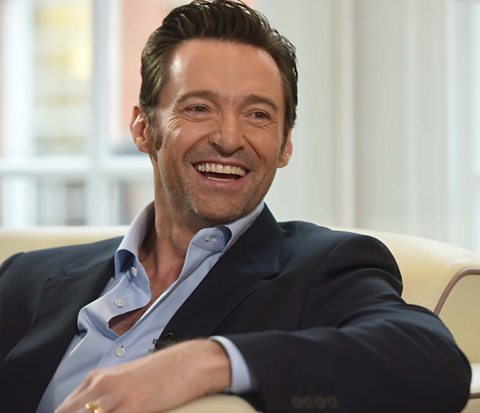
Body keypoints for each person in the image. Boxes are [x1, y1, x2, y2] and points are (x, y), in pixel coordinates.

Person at [0, 1, 471, 412]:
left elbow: (432, 365)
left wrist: (210, 361)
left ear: (285, 145)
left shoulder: (322, 268)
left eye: (258, 115)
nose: (229, 138)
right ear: (143, 128)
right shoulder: (26, 278)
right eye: (199, 108)